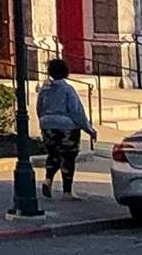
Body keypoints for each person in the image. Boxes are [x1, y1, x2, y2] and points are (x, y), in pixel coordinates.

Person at [36, 58, 96, 200]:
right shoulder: (68, 89)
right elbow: (76, 111)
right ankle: (67, 191)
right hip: (67, 126)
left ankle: (48, 179)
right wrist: (88, 128)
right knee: (68, 157)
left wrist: (44, 122)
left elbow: (39, 108)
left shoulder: (44, 90)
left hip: (47, 125)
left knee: (53, 154)